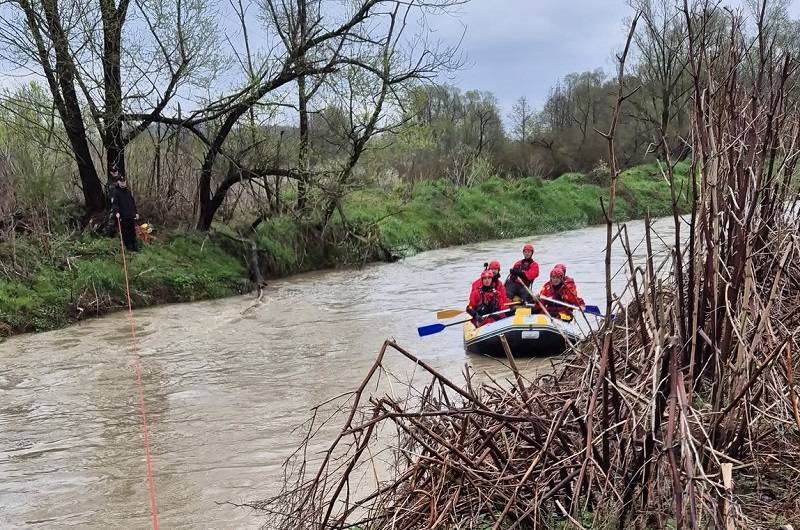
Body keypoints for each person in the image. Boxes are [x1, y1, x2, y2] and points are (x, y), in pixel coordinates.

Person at [110, 169, 139, 251]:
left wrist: (135, 213)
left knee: (132, 232)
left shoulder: (128, 192)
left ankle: (135, 246)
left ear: (125, 182)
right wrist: (117, 212)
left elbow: (132, 203)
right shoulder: (116, 192)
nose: (123, 183)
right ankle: (129, 247)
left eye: (124, 181)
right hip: (123, 216)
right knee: (125, 233)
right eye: (121, 181)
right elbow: (115, 204)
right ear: (118, 182)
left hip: (131, 216)